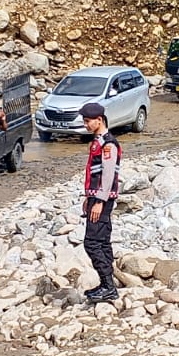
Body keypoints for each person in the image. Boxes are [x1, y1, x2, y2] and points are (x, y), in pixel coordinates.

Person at [79, 101, 121, 303]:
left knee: (92, 242)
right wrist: (89, 198)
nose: (85, 125)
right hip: (95, 198)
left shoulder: (108, 144)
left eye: (88, 121)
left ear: (99, 120)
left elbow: (108, 175)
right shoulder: (98, 141)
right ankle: (107, 283)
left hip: (102, 200)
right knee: (102, 240)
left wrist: (99, 201)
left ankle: (108, 286)